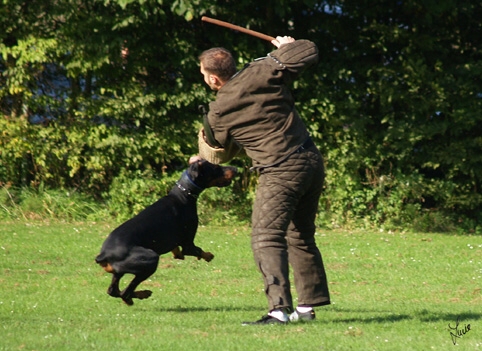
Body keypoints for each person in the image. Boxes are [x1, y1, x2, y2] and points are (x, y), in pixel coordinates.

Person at [191, 35, 330, 324]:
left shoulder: (219, 110)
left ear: (214, 80)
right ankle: (306, 308)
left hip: (280, 170)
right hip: (311, 161)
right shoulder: (264, 68)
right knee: (300, 235)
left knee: (266, 237)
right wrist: (285, 48)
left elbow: (218, 155)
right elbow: (309, 50)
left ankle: (278, 311)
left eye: (205, 75)